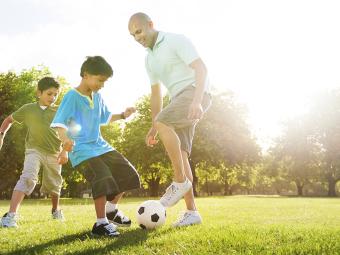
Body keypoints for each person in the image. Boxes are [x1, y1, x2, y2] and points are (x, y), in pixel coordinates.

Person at [128, 13, 212, 227]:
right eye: (132, 35)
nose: (137, 37)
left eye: (139, 31)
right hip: (178, 100)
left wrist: (196, 100)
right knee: (182, 155)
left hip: (194, 93)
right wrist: (154, 126)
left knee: (166, 128)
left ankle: (180, 182)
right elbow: (156, 94)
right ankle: (192, 213)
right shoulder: (149, 59)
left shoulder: (175, 40)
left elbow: (201, 68)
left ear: (150, 25)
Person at [51, 56, 140, 237]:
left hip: (101, 146)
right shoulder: (72, 96)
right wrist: (64, 139)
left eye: (105, 81)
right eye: (100, 80)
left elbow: (104, 118)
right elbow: (59, 122)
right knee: (102, 176)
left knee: (128, 173)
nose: (102, 84)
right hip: (81, 149)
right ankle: (100, 224)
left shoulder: (97, 96)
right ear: (86, 75)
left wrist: (123, 115)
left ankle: (111, 210)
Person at [0, 77, 67, 228]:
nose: (53, 97)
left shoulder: (59, 111)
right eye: (49, 94)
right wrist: (1, 134)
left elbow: (68, 133)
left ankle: (56, 210)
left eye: (56, 94)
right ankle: (10, 216)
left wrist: (65, 151)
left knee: (54, 185)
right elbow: (8, 120)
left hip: (54, 153)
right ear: (39, 93)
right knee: (28, 177)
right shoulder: (28, 109)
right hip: (34, 150)